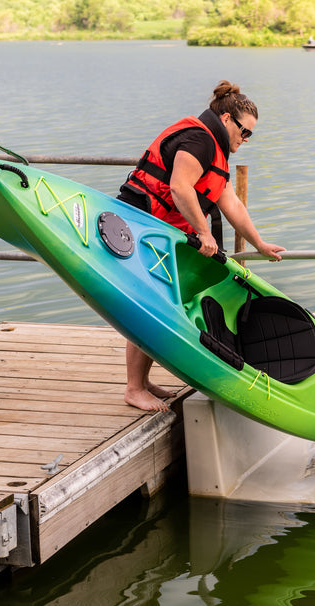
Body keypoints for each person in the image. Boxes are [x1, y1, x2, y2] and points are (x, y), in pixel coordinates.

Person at [117, 80, 286, 412]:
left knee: (164, 304)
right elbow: (180, 188)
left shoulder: (215, 150)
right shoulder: (199, 140)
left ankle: (142, 381)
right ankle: (134, 388)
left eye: (251, 134)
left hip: (160, 232)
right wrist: (203, 233)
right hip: (141, 227)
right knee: (152, 306)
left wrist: (260, 244)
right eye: (244, 131)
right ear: (225, 120)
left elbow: (232, 205)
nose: (246, 138)